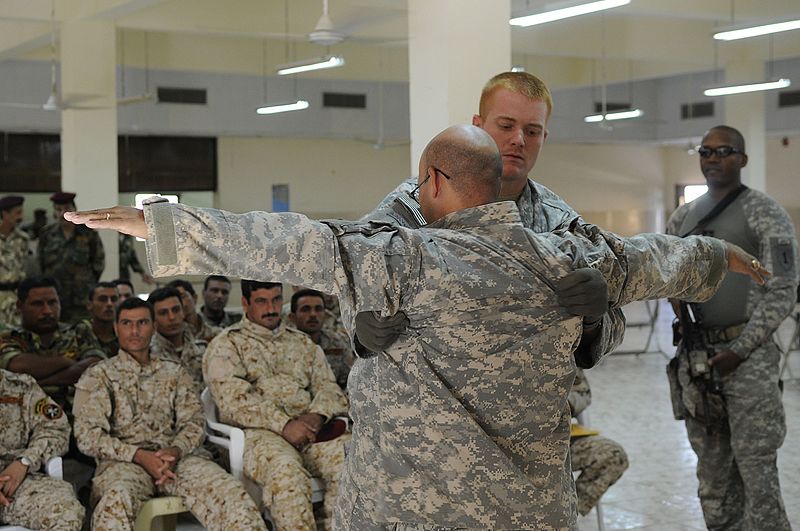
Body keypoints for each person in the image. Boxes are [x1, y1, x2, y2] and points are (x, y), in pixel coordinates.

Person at [65, 124, 767, 529]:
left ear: (431, 180)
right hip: (531, 510)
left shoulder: (403, 258)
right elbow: (654, 257)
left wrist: (153, 221)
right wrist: (721, 255)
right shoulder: (571, 256)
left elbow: (283, 240)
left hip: (412, 509)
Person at [355, 71, 623, 369]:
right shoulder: (412, 206)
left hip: (525, 400)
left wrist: (595, 320)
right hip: (422, 403)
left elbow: (600, 340)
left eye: (532, 131)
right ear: (478, 125)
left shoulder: (559, 223)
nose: (519, 140)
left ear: (544, 137)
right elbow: (355, 278)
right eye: (506, 125)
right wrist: (360, 327)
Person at [666, 125, 798, 530]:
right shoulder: (683, 217)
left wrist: (739, 350)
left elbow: (783, 288)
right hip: (698, 363)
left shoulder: (765, 212)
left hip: (748, 362)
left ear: (742, 158)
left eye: (723, 151)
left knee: (757, 475)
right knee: (713, 480)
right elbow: (664, 273)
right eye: (705, 152)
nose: (712, 159)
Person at [72, 297, 266, 531]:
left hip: (178, 460)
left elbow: (194, 422)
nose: (134, 330)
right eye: (126, 323)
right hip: (123, 464)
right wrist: (139, 456)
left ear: (154, 327)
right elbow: (86, 436)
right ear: (116, 328)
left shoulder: (174, 372)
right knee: (115, 504)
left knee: (231, 494)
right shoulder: (99, 376)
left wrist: (175, 451)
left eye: (142, 322)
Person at [204, 280, 349, 531]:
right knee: (286, 473)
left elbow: (328, 386)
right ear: (246, 303)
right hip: (259, 434)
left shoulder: (302, 343)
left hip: (310, 428)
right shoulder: (226, 345)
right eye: (262, 301)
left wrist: (316, 416)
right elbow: (234, 401)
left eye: (275, 300)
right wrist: (284, 425)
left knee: (352, 457)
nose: (271, 308)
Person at [0, 276, 105, 413]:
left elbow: (97, 366)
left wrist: (40, 383)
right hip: (25, 416)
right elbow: (18, 366)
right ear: (20, 306)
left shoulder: (78, 331)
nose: (47, 311)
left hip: (77, 416)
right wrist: (65, 362)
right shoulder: (9, 336)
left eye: (52, 302)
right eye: (38, 304)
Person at [0, 368, 85, 530]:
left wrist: (25, 461)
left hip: (17, 484)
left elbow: (56, 429)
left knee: (65, 512)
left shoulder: (21, 387)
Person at [568, 368, 628, 516]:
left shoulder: (556, 352)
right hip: (507, 448)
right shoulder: (503, 351)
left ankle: (566, 514)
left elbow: (581, 393)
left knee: (613, 455)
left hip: (559, 442)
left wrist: (556, 404)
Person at [38, 192, 105, 323]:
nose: (62, 213)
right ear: (54, 212)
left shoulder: (88, 233)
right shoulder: (47, 234)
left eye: (67, 209)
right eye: (58, 209)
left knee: (82, 332)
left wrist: (87, 283)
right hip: (55, 296)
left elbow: (98, 263)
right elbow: (41, 263)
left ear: (74, 210)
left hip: (81, 297)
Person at [289, 288, 356, 389]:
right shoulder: (284, 346)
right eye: (306, 309)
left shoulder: (338, 343)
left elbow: (350, 381)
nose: (313, 314)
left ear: (325, 315)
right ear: (292, 317)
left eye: (318, 309)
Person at [148, 287, 208, 391]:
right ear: (153, 319)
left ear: (183, 312)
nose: (171, 317)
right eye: (163, 313)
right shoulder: (147, 356)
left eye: (176, 310)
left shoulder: (204, 351)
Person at [0, 195, 29, 326]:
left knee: (16, 336)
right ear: (5, 214)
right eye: (17, 213)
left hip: (16, 296)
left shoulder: (22, 239)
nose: (20, 217)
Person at [76, 281, 120, 357]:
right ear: (89, 305)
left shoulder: (124, 334)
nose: (109, 304)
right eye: (102, 299)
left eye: (114, 299)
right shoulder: (78, 332)